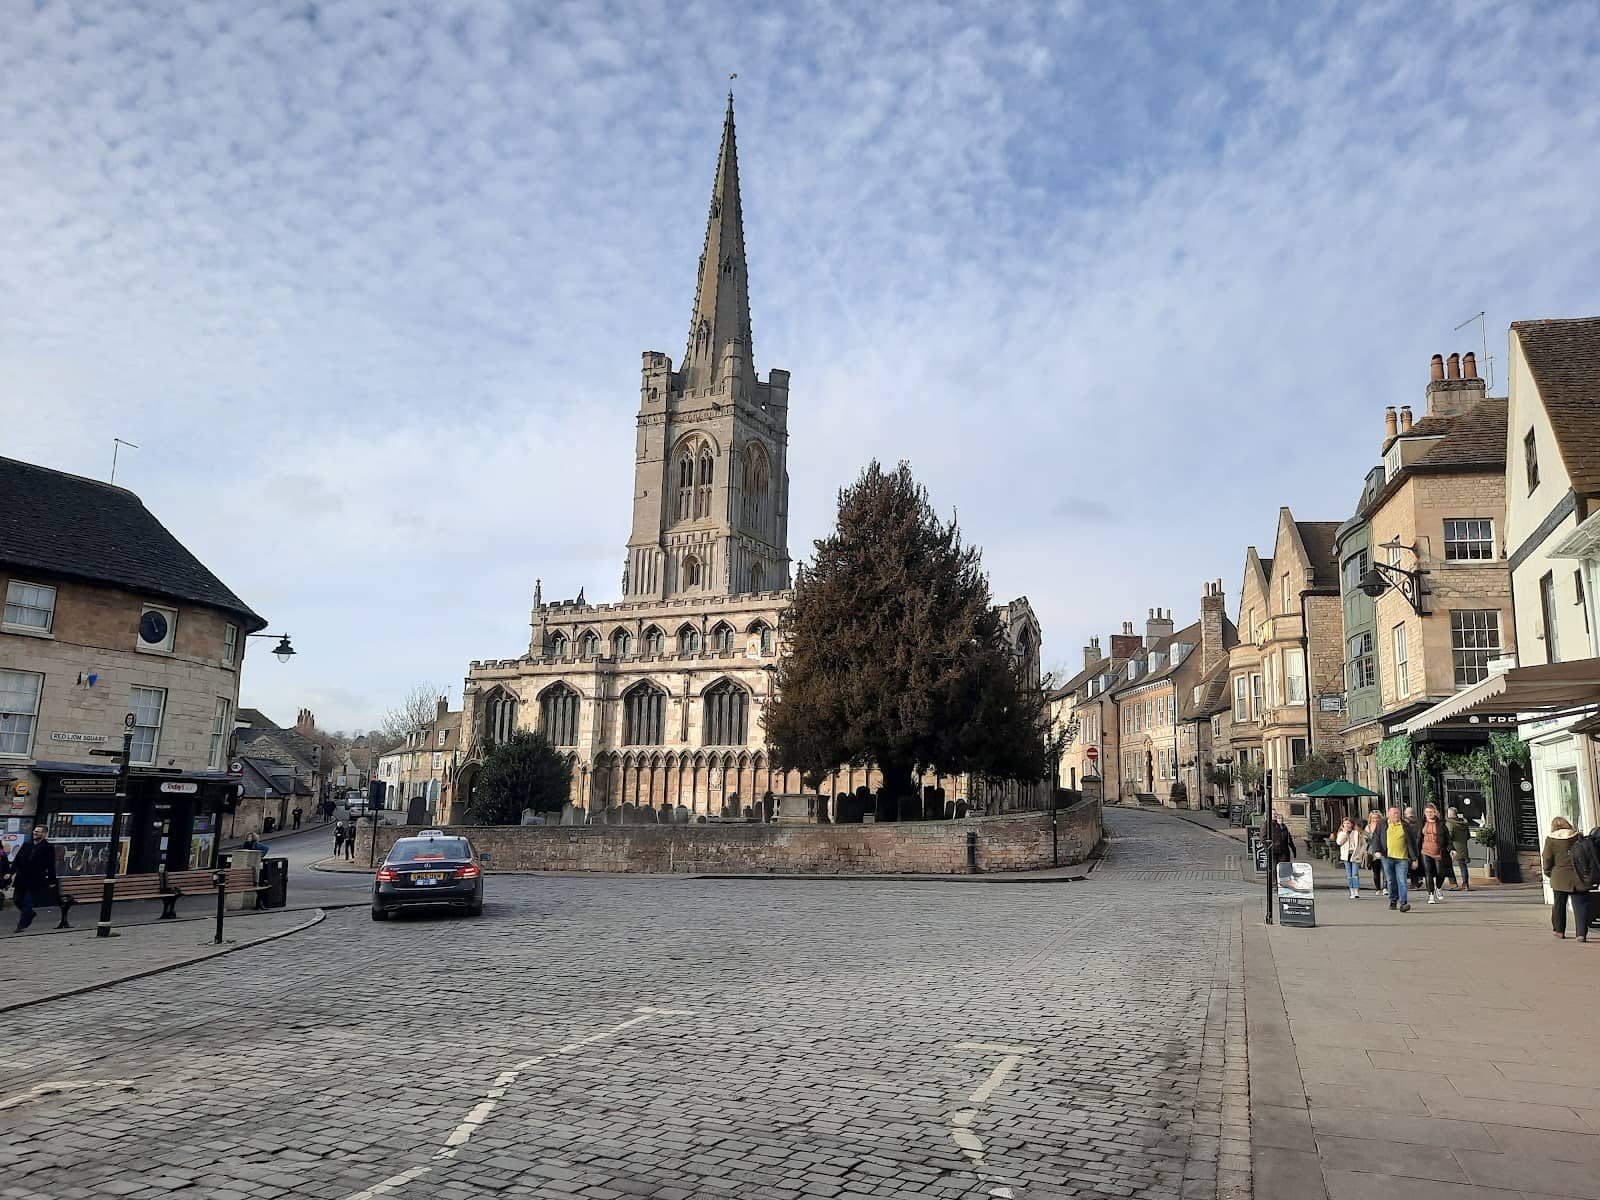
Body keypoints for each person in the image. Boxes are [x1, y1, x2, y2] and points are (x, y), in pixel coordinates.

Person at [1542, 817, 1591, 941]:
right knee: (1581, 906)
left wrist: (1548, 872)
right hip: (1579, 876)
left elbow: (1547, 859)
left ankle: (1559, 930)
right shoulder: (1578, 837)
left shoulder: (1551, 840)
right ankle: (1581, 933)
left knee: (1559, 905)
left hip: (1559, 876)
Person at [11, 825, 58, 932]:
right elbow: (17, 860)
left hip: (35, 879)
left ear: (44, 834)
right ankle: (30, 914)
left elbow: (51, 865)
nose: (35, 833)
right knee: (17, 900)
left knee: (28, 902)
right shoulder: (27, 845)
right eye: (35, 831)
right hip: (21, 878)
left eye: (38, 832)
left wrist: (52, 880)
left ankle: (22, 925)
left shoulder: (48, 848)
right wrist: (11, 872)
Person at [1384, 805, 1418, 913]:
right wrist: (1377, 851)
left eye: (1398, 813)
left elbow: (1412, 843)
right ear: (1389, 814)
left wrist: (1414, 858)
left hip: (1402, 859)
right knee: (1390, 880)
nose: (1397, 815)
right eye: (1394, 813)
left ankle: (1404, 903)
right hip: (1387, 857)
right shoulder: (1383, 825)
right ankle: (1393, 900)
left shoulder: (1405, 825)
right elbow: (1376, 838)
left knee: (1402, 881)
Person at [1418, 804, 1454, 904]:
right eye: (1427, 812)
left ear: (1435, 812)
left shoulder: (1441, 824)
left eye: (1431, 812)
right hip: (1425, 851)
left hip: (1439, 851)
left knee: (1440, 872)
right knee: (1428, 873)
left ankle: (1438, 887)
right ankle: (1431, 895)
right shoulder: (1422, 823)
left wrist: (1451, 849)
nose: (1429, 814)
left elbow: (1448, 839)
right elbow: (1418, 838)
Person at [1335, 816, 1364, 898]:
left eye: (1348, 823)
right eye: (1345, 823)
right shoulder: (1341, 833)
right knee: (1349, 874)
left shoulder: (1357, 832)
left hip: (1355, 854)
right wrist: (1344, 833)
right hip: (1346, 855)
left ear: (1352, 824)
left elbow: (1363, 844)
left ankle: (1356, 890)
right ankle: (1351, 890)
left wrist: (1360, 852)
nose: (1347, 825)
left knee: (1355, 873)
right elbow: (1339, 842)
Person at [1446, 807, 1472, 891]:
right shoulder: (1464, 823)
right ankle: (1465, 884)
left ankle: (1453, 883)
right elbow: (1468, 836)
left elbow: (1449, 835)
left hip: (1453, 847)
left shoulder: (1450, 823)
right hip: (1463, 847)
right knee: (1463, 866)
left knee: (1448, 865)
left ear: (1450, 814)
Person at [1366, 810, 1388, 896]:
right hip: (1372, 851)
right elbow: (1366, 839)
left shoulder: (1384, 826)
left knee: (1385, 870)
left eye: (1377, 818)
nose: (1375, 820)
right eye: (1373, 818)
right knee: (1376, 871)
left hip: (1383, 850)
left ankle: (1385, 888)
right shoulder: (1368, 827)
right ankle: (1378, 888)